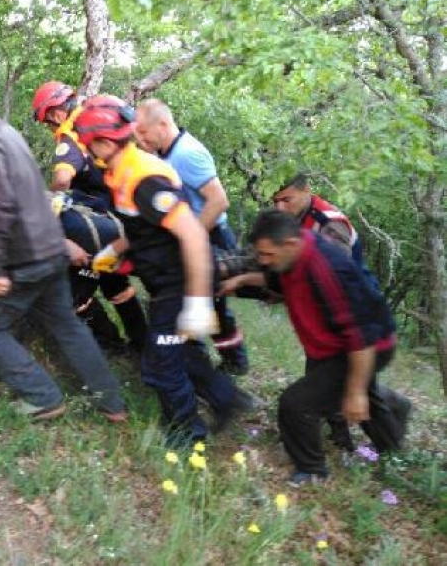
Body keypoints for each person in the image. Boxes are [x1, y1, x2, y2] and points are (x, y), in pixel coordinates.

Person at [0, 60, 126, 422]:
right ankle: (112, 402)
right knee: (66, 325)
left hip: (18, 256)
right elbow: (33, 191)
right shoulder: (2, 130)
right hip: (49, 247)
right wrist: (61, 243)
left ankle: (42, 396)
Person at [74, 95, 244, 443]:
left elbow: (194, 235)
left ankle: (188, 434)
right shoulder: (121, 172)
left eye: (88, 146)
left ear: (104, 143)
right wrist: (111, 251)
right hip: (169, 279)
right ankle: (229, 400)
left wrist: (197, 302)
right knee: (178, 349)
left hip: (183, 282)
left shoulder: (143, 178)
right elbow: (140, 228)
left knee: (160, 364)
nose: (86, 155)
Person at [241, 210, 410, 485]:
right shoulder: (295, 253)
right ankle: (393, 441)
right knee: (361, 399)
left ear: (290, 245)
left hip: (366, 346)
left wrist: (355, 392)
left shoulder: (327, 268)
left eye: (268, 255)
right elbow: (276, 281)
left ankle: (312, 470)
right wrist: (239, 281)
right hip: (339, 345)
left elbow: (360, 336)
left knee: (297, 404)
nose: (263, 261)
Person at [134, 99, 249, 375]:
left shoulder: (187, 153)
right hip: (196, 235)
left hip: (211, 235)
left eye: (143, 132)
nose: (141, 138)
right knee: (197, 301)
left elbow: (218, 201)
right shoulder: (165, 152)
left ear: (162, 124)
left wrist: (191, 239)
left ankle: (234, 363)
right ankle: (200, 362)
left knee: (213, 303)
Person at [31, 81, 147, 355]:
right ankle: (140, 345)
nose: (49, 128)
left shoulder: (70, 135)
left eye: (47, 122)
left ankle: (109, 343)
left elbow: (62, 178)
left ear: (55, 113)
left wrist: (50, 202)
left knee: (77, 286)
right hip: (126, 214)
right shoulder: (95, 118)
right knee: (116, 284)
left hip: (104, 222)